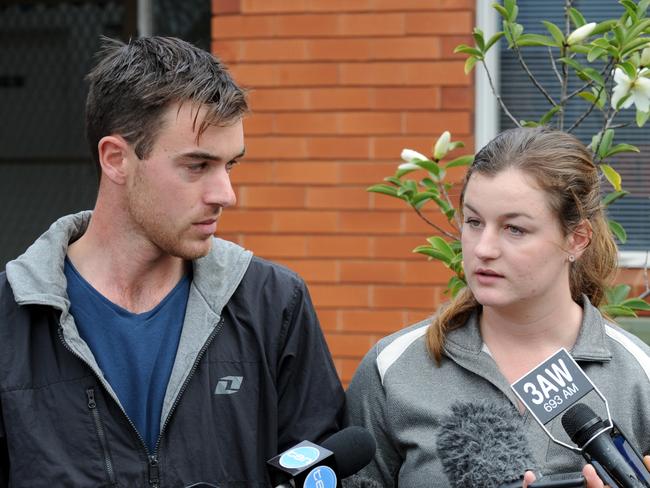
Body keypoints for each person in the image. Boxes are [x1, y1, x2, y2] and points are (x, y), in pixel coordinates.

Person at [0, 36, 344, 487]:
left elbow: (323, 469)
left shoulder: (274, 303)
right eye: (197, 166)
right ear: (116, 159)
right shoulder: (10, 316)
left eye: (230, 165)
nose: (226, 194)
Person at [346, 127, 650, 487]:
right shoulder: (393, 366)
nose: (483, 248)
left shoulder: (638, 376)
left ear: (577, 239)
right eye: (474, 222)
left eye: (514, 229)